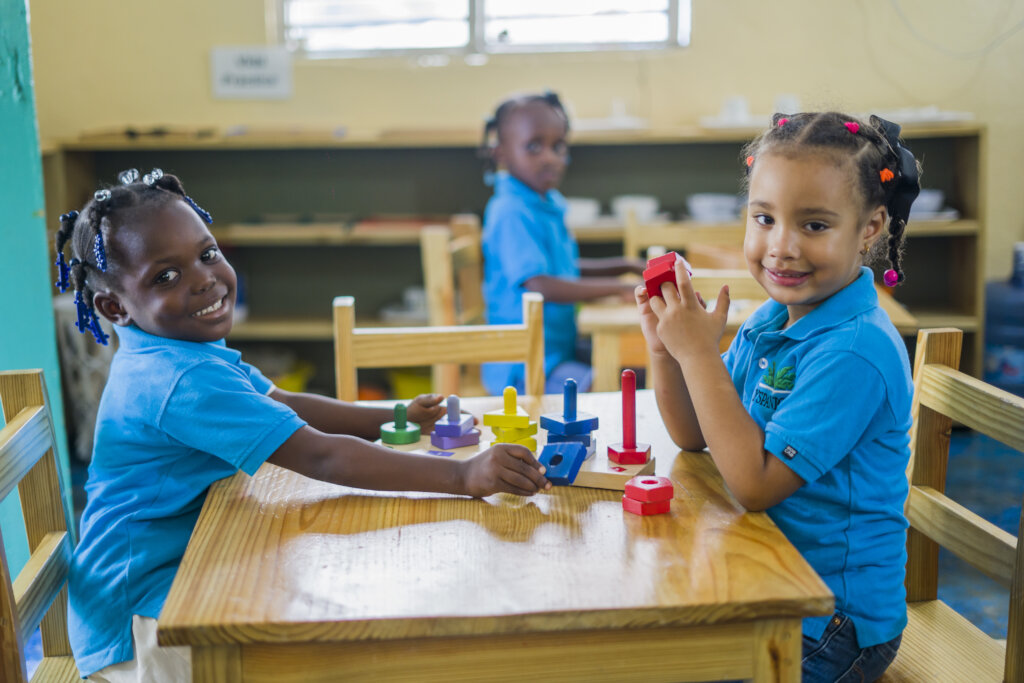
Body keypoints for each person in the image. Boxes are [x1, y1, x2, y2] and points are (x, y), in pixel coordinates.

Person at [56, 169, 551, 682]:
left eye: (207, 254)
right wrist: (463, 478)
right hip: (143, 625)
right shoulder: (176, 377)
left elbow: (284, 402)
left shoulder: (176, 348)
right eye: (166, 276)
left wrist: (395, 415)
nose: (203, 278)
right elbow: (319, 456)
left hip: (172, 573)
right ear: (115, 307)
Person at [635, 112, 921, 681]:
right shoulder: (773, 320)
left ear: (870, 227)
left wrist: (697, 355)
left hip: (832, 622)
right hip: (764, 578)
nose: (781, 247)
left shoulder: (853, 351)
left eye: (814, 225)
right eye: (764, 218)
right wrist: (667, 351)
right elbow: (695, 436)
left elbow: (756, 483)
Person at [479, 91, 644, 395]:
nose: (550, 157)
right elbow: (541, 283)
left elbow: (563, 269)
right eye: (534, 146)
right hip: (526, 366)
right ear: (501, 153)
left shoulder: (544, 203)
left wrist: (624, 266)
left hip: (556, 349)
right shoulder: (511, 210)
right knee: (610, 384)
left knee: (635, 368)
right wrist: (619, 288)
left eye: (558, 146)